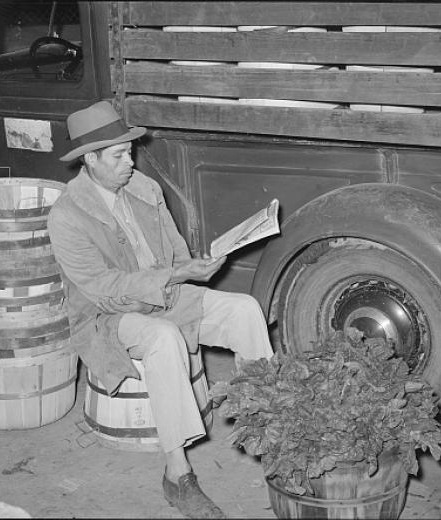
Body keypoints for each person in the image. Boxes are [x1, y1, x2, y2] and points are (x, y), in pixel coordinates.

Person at [48, 101, 274, 519]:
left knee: (244, 309)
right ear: (90, 159)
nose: (129, 162)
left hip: (164, 296)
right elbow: (103, 288)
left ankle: (268, 426)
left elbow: (175, 254)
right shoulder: (66, 215)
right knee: (164, 337)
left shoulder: (145, 190)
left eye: (130, 152)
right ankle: (178, 474)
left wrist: (198, 267)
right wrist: (174, 274)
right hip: (107, 317)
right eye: (117, 156)